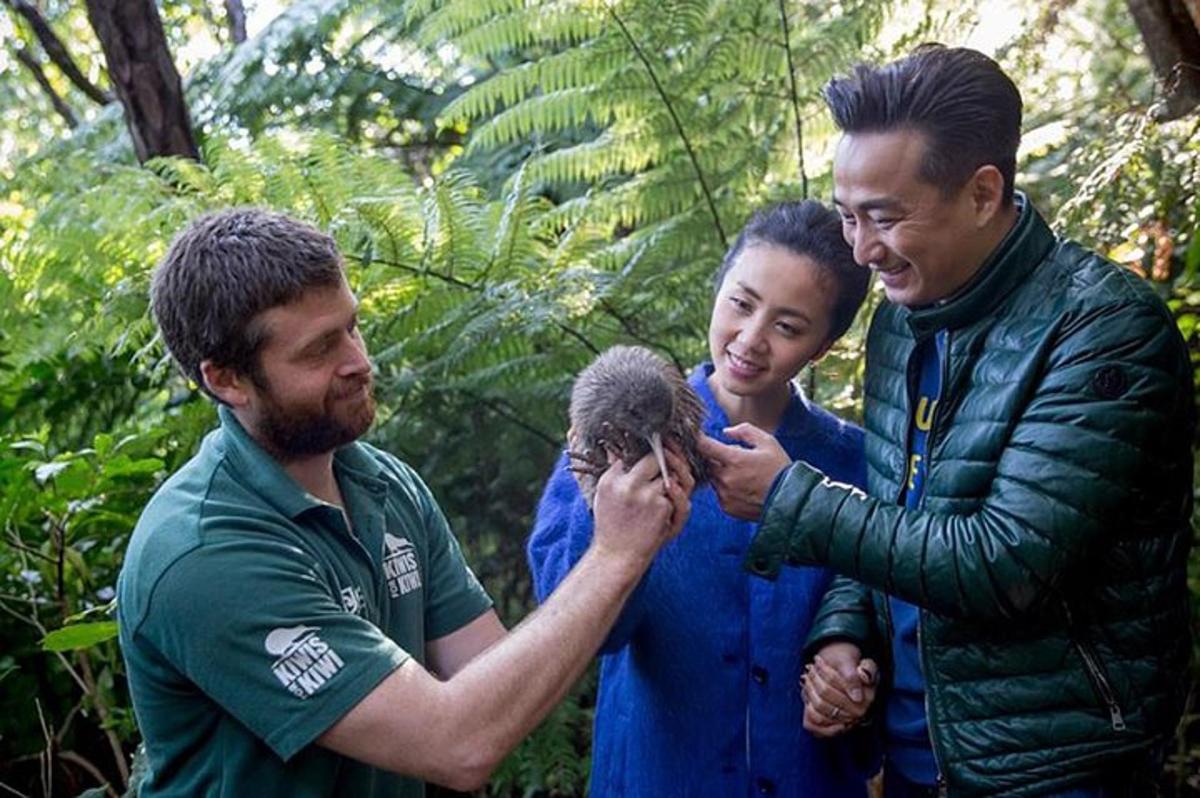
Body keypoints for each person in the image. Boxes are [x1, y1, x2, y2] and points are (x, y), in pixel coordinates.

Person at [700, 45, 1193, 797]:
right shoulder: (903, 321)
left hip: (1051, 771)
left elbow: (1003, 565)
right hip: (912, 763)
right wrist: (842, 635)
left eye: (884, 218)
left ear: (983, 192)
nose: (862, 251)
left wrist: (788, 498)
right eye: (846, 217)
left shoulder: (1103, 332)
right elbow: (893, 514)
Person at [115, 208, 693, 797]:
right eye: (319, 351)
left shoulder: (385, 486)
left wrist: (609, 512)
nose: (360, 362)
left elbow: (498, 683)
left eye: (353, 326)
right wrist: (615, 554)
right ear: (228, 380)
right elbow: (459, 743)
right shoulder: (204, 553)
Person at [527, 200, 877, 797]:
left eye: (788, 327)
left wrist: (857, 676)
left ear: (824, 345)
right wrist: (608, 515)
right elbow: (579, 635)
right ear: (719, 289)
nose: (750, 339)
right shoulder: (619, 434)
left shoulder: (857, 464)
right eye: (741, 304)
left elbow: (892, 616)